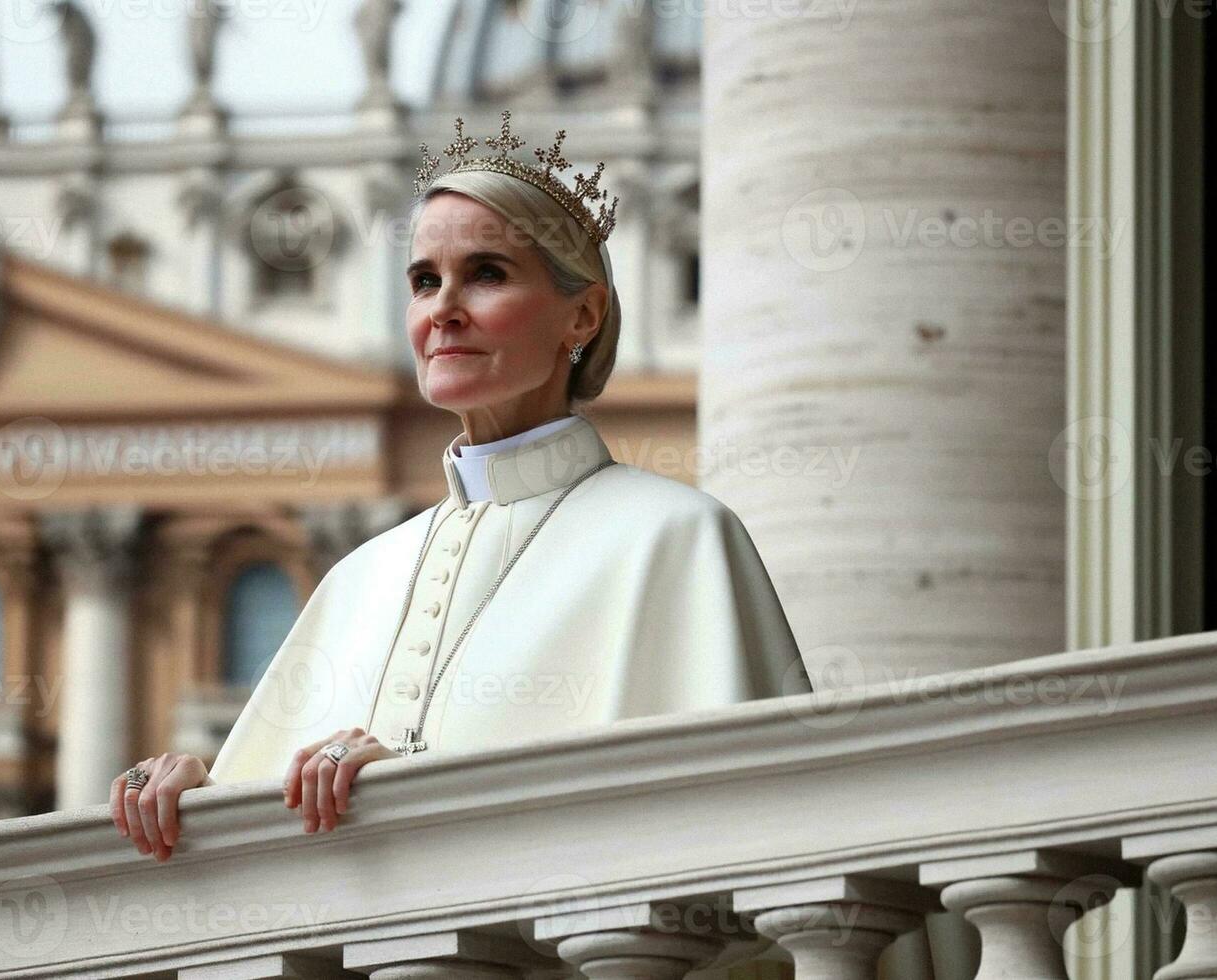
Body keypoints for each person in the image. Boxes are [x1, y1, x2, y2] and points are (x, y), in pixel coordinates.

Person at [111, 111, 813, 862]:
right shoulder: (359, 576)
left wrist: (419, 792)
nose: (443, 310)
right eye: (423, 281)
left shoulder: (677, 538)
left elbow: (741, 836)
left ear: (583, 313)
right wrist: (202, 797)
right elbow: (284, 856)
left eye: (486, 273)